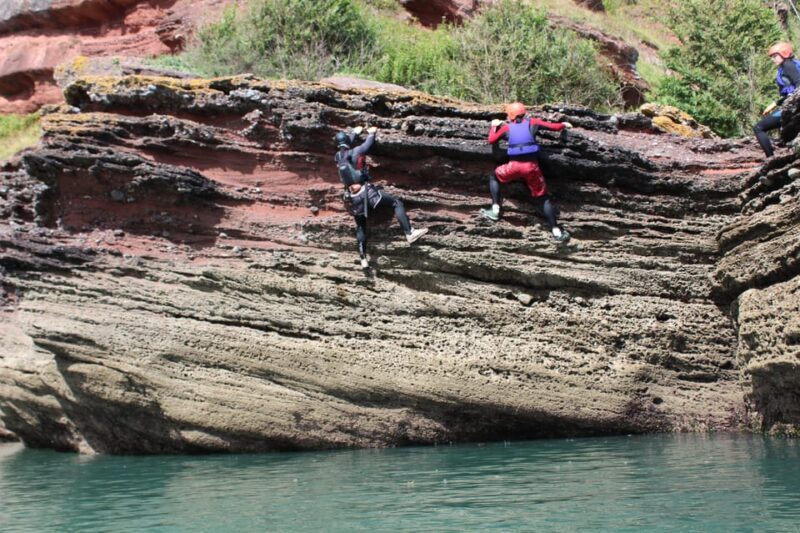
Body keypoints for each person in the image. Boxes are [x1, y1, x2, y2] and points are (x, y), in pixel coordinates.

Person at [335, 126, 427, 268]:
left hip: (353, 197)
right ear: (348, 142)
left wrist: (353, 133)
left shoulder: (338, 156)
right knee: (397, 202)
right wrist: (371, 133)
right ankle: (409, 233)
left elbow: (345, 145)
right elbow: (367, 145)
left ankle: (363, 259)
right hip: (367, 193)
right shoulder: (357, 151)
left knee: (361, 226)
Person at [480, 102, 573, 243]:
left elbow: (492, 140)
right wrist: (564, 125)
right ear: (524, 113)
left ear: (510, 115)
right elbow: (553, 127)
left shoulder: (506, 128)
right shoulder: (533, 122)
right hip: (531, 169)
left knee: (494, 176)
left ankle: (495, 210)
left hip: (513, 167)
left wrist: (494, 126)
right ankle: (556, 232)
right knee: (543, 198)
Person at [754, 42, 800, 158]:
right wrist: (776, 103)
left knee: (758, 128)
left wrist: (781, 104)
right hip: (792, 106)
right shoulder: (788, 66)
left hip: (793, 109)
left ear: (784, 54)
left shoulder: (788, 66)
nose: (773, 60)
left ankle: (770, 158)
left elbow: (798, 88)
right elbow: (792, 92)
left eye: (775, 56)